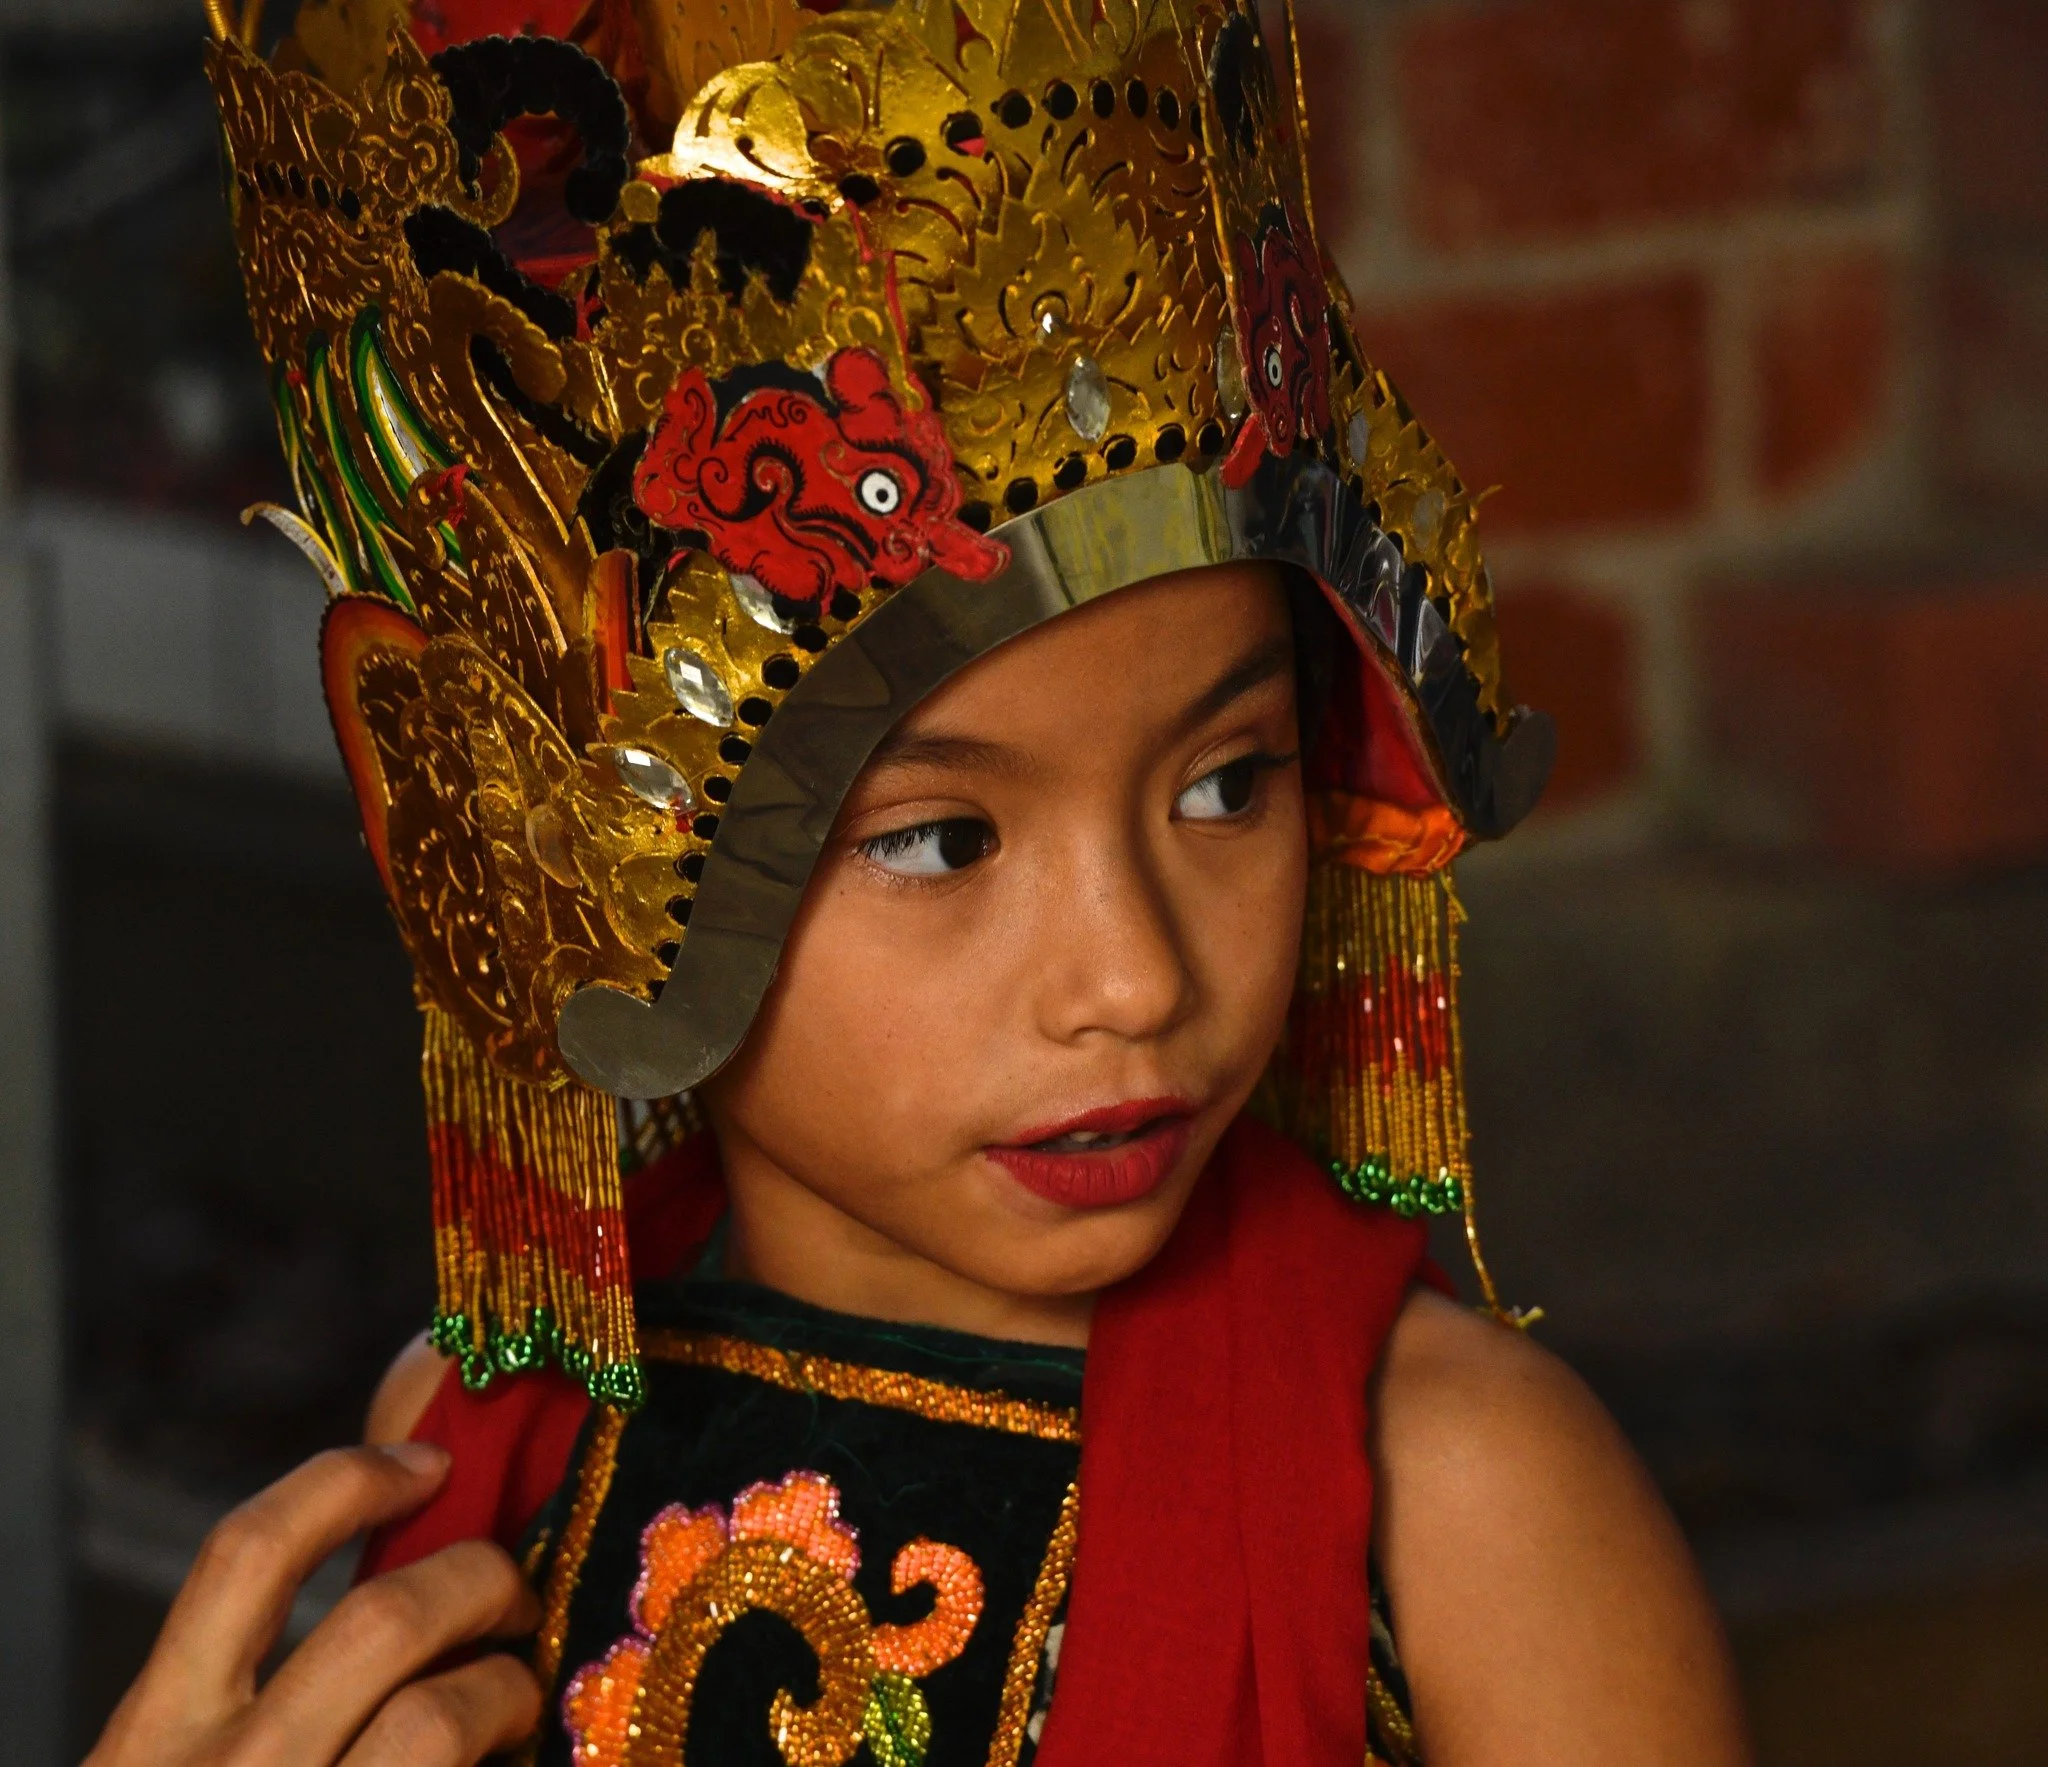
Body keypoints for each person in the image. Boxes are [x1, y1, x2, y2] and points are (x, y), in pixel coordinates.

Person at [91, 1, 1752, 1762]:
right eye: (943, 838)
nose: (1132, 978)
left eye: (1227, 780)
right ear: (569, 849)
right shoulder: (484, 1438)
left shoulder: (1469, 1505)